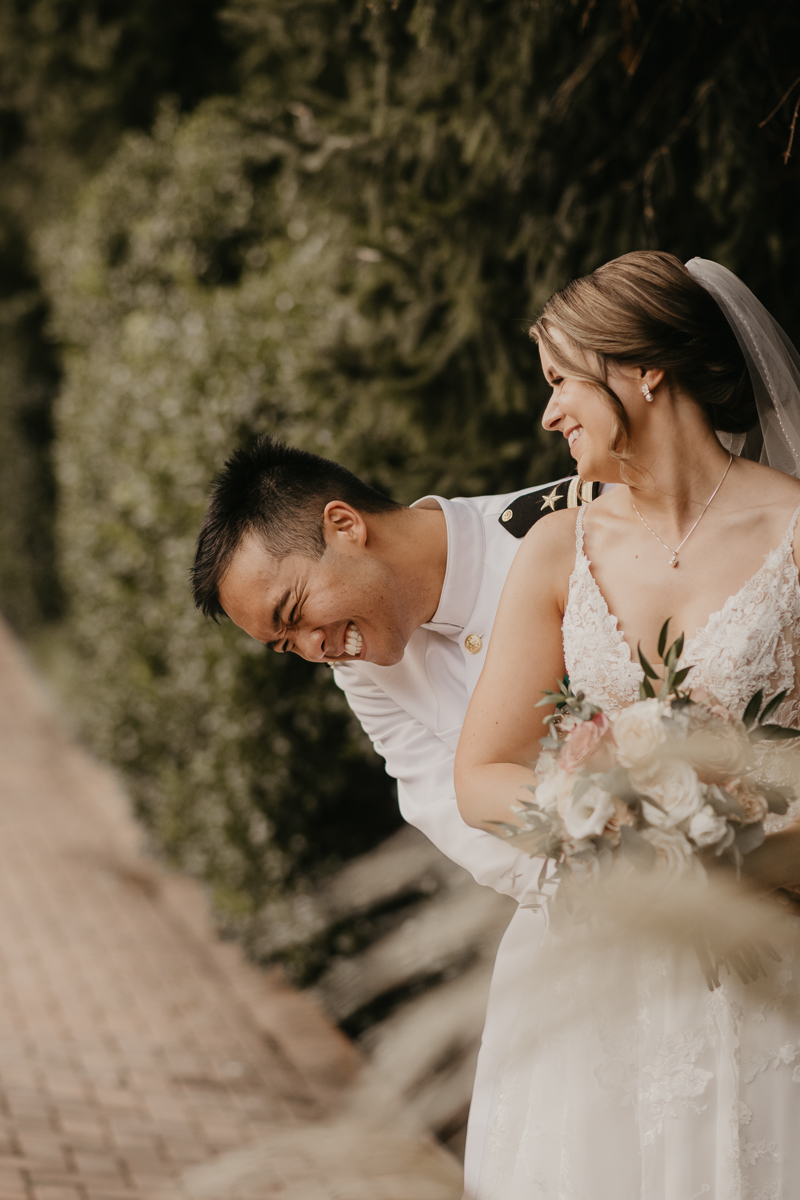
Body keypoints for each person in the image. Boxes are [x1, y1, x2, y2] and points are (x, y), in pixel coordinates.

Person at [454, 251, 800, 1199]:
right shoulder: (559, 546)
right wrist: (601, 815)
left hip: (763, 955)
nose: (549, 412)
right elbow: (482, 772)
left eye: (563, 380)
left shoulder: (797, 533)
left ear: (645, 368)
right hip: (595, 967)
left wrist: (734, 843)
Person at [190, 435, 601, 1191]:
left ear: (345, 525)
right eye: (286, 645)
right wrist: (596, 877)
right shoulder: (361, 670)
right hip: (572, 928)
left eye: (295, 612)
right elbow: (441, 802)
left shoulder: (569, 533)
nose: (315, 650)